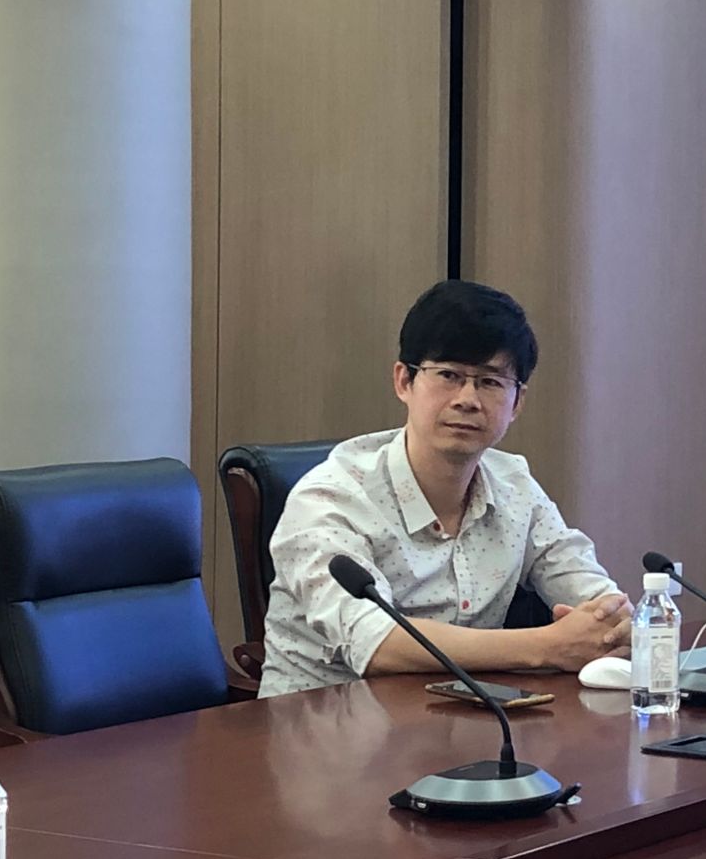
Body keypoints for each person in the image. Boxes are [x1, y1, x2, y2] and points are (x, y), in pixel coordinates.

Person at [259, 280, 631, 697]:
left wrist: (616, 625)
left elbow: (592, 593)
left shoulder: (514, 486)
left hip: (460, 721)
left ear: (517, 402)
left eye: (490, 381)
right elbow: (376, 644)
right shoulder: (331, 498)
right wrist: (548, 646)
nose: (467, 399)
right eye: (449, 375)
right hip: (322, 724)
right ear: (404, 381)